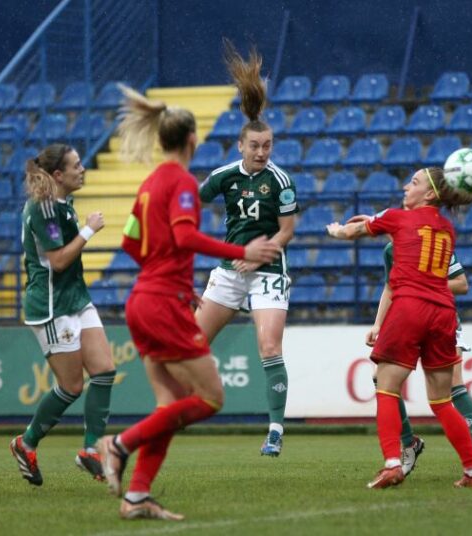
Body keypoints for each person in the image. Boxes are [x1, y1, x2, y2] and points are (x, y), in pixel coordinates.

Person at [97, 86, 280, 521]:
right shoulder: (180, 181)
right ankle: (118, 445)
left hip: (144, 298)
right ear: (192, 141)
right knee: (211, 397)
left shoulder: (150, 183)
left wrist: (171, 274)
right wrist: (243, 252)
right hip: (162, 303)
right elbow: (183, 237)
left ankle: (138, 496)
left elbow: (129, 241)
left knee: (170, 405)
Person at [327, 167, 472, 489]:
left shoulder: (397, 217)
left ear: (428, 194)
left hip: (410, 307)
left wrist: (337, 229)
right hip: (443, 313)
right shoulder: (447, 228)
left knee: (386, 386)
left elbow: (352, 233)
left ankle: (392, 464)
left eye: (413, 182)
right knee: (441, 400)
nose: (405, 186)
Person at [195, 41, 297, 457]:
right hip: (228, 269)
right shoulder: (222, 176)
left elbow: (287, 231)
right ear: (241, 146)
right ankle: (185, 409)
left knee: (270, 347)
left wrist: (257, 253)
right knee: (193, 343)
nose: (261, 152)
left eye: (267, 146)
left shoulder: (281, 180)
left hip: (268, 270)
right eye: (255, 146)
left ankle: (274, 429)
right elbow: (193, 202)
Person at [9, 144, 117, 486]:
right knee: (71, 386)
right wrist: (89, 231)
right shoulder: (43, 209)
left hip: (76, 298)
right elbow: (57, 261)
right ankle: (25, 443)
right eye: (76, 165)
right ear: (58, 175)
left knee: (104, 371)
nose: (82, 169)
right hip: (52, 307)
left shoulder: (60, 204)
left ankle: (90, 450)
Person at [367, 240, 472, 477]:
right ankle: (409, 443)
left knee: (453, 383)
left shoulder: (437, 241)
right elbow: (390, 287)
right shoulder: (392, 249)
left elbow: (461, 284)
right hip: (408, 321)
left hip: (439, 318)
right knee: (379, 378)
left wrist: (422, 285)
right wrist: (377, 324)